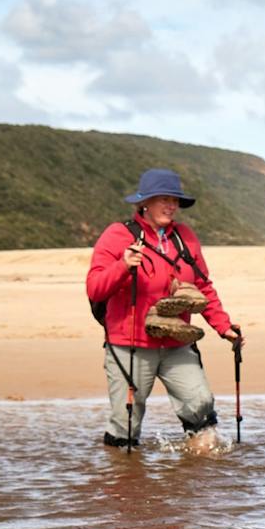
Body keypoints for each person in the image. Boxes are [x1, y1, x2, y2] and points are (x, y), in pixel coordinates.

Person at [86, 168, 240, 452]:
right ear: (145, 202)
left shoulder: (185, 237)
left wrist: (224, 326)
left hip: (177, 342)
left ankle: (200, 470)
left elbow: (203, 286)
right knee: (125, 426)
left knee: (201, 407)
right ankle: (122, 474)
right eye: (164, 199)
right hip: (130, 345)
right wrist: (123, 266)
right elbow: (95, 289)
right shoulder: (117, 235)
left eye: (175, 200)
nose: (171, 206)